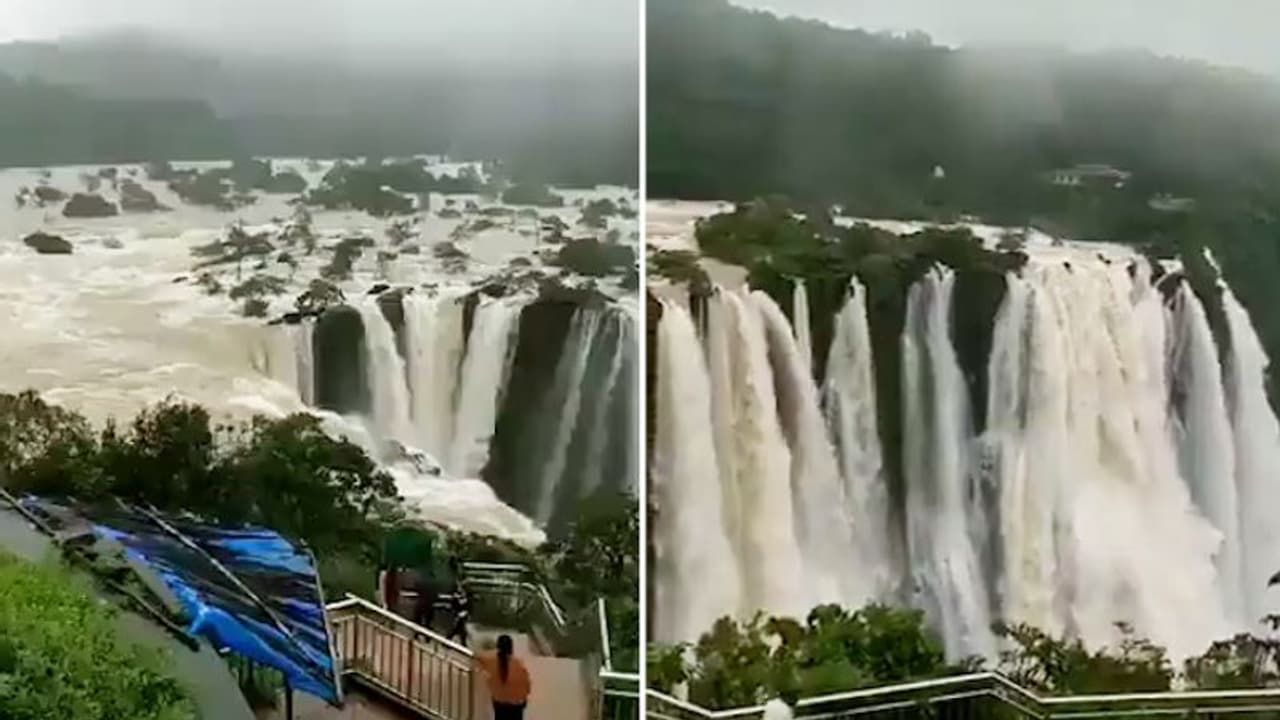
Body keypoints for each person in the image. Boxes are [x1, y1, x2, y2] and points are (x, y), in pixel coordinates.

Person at [477, 634, 531, 719]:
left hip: (500, 703)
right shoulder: (518, 664)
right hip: (517, 704)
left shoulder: (491, 661)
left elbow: (477, 657)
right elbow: (527, 686)